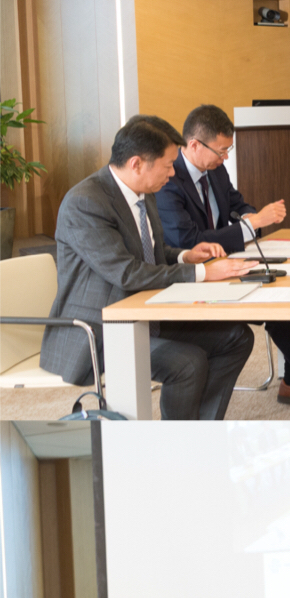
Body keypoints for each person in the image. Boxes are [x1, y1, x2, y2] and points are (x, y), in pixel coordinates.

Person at [38, 115, 254, 419]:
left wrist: (185, 256)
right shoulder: (85, 203)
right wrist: (204, 273)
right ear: (137, 164)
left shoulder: (144, 193)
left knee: (237, 337)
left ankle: (200, 430)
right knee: (188, 363)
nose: (173, 172)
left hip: (148, 315)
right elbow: (127, 272)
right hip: (102, 331)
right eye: (168, 165)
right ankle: (176, 441)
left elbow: (151, 251)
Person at [156, 104, 290, 409]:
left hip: (231, 263)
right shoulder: (168, 180)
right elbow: (189, 241)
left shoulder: (215, 170)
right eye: (221, 151)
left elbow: (238, 204)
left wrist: (252, 216)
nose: (225, 158)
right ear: (194, 145)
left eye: (229, 150)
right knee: (275, 302)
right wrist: (252, 224)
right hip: (197, 276)